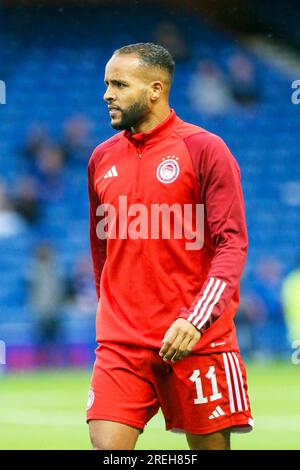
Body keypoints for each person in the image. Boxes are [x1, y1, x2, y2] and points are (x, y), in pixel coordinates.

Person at [86, 43, 253, 451]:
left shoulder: (205, 149)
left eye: (120, 85)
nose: (107, 94)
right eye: (107, 84)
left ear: (156, 89)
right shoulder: (100, 159)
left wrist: (197, 319)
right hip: (122, 343)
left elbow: (232, 244)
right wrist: (110, 314)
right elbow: (101, 251)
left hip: (198, 339)